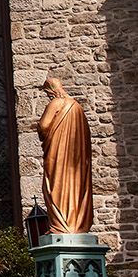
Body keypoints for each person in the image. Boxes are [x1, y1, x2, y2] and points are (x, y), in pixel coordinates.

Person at [36, 76, 93, 235]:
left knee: (55, 186)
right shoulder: (77, 108)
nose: (49, 97)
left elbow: (44, 125)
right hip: (76, 160)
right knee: (75, 187)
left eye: (48, 93)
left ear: (52, 91)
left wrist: (39, 129)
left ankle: (60, 225)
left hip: (58, 156)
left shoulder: (56, 103)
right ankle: (76, 223)